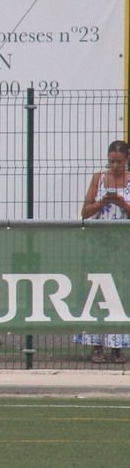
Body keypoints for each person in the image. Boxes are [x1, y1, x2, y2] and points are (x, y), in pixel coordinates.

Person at [74, 139, 130, 363]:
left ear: (127, 160)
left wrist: (121, 203)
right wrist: (102, 202)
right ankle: (96, 345)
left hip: (122, 245)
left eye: (119, 162)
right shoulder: (99, 179)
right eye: (111, 161)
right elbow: (85, 212)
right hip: (99, 244)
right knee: (96, 292)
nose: (114, 166)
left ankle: (118, 346)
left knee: (120, 294)